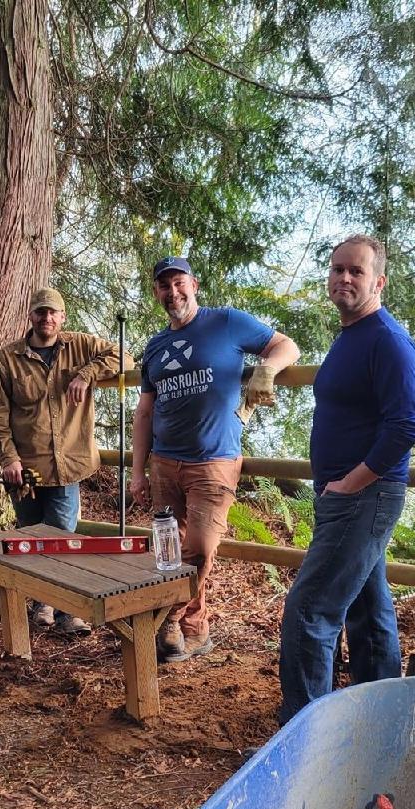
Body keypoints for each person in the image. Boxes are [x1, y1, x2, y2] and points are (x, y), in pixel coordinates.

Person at [278, 235, 415, 723]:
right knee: (368, 608)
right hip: (350, 496)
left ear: (378, 282)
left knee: (309, 612)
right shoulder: (351, 335)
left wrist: (352, 483)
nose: (343, 277)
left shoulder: (388, 340)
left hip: (365, 496)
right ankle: (380, 718)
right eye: (337, 268)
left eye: (356, 271)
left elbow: (407, 425)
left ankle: (306, 735)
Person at [130, 256, 301, 662]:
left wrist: (267, 369)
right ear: (156, 292)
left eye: (179, 283)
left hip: (214, 461)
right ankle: (194, 628)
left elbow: (286, 345)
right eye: (164, 286)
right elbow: (145, 412)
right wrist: (138, 471)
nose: (173, 292)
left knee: (202, 547)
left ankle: (168, 616)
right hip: (164, 463)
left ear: (194, 285)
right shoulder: (155, 347)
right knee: (171, 550)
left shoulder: (226, 322)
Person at [0, 286, 131, 634]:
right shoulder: (7, 359)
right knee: (31, 537)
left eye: (53, 312)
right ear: (30, 316)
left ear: (62, 317)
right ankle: (42, 603)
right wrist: (8, 459)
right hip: (25, 471)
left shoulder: (80, 346)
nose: (46, 318)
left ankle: (66, 610)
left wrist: (86, 374)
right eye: (40, 312)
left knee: (63, 537)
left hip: (68, 465)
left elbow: (124, 357)